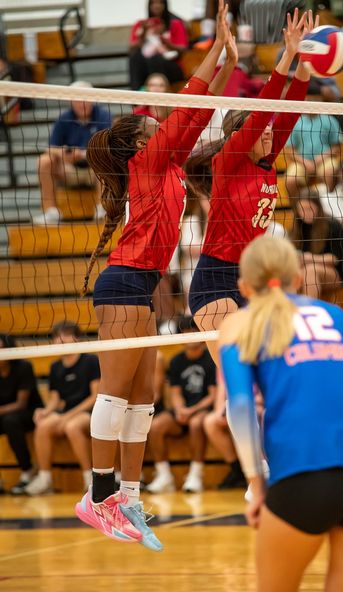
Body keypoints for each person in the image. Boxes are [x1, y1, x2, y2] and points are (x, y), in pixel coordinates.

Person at [74, 2, 238, 550]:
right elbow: (189, 105)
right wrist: (216, 50)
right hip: (123, 284)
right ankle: (97, 498)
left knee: (144, 401)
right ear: (141, 141)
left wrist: (226, 59)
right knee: (117, 395)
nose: (160, 120)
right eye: (153, 121)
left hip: (142, 288)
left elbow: (194, 116)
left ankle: (130, 497)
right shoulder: (147, 163)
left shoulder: (165, 166)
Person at [219, 235, 343, 592]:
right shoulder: (337, 316)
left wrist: (257, 484)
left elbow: (241, 406)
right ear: (299, 279)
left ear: (243, 286)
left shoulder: (239, 324)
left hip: (303, 476)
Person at [188, 9, 313, 363]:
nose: (270, 132)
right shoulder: (227, 164)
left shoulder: (267, 162)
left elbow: (289, 109)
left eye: (271, 131)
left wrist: (306, 57)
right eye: (263, 131)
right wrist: (286, 56)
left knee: (268, 369)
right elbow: (263, 113)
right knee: (238, 371)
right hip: (214, 280)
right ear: (246, 137)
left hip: (250, 276)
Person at [24, 322, 100, 495]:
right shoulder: (55, 366)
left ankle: (90, 479)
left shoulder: (90, 360)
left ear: (77, 338)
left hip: (90, 411)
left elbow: (94, 396)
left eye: (66, 335)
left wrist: (68, 416)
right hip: (67, 412)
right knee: (43, 425)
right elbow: (55, 400)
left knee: (71, 426)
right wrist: (45, 411)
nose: (61, 339)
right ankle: (45, 479)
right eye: (57, 336)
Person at [147, 317, 216, 494]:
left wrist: (191, 411)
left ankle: (195, 475)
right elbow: (175, 392)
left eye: (193, 330)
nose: (189, 335)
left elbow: (212, 396)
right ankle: (164, 476)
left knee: (195, 423)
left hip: (203, 408)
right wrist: (179, 409)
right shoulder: (177, 360)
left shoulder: (210, 357)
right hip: (183, 409)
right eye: (185, 331)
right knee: (156, 426)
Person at [33, 81, 112, 225]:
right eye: (77, 99)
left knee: (106, 157)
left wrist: (82, 154)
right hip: (69, 170)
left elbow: (107, 145)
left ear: (93, 99)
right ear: (71, 101)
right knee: (44, 161)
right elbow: (50, 148)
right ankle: (51, 212)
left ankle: (103, 208)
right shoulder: (64, 118)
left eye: (86, 99)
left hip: (95, 171)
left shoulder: (103, 116)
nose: (82, 103)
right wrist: (62, 153)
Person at [290, 187, 343, 300]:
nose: (305, 213)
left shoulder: (332, 225)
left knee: (310, 271)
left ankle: (311, 313)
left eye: (309, 209)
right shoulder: (298, 227)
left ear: (318, 207)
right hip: (306, 271)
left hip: (337, 273)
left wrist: (310, 258)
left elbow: (336, 259)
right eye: (302, 209)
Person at [284, 78, 343, 198]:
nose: (312, 101)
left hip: (324, 160)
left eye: (316, 98)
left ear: (321, 99)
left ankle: (330, 210)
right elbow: (290, 150)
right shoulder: (296, 121)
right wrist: (305, 162)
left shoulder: (329, 120)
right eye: (309, 98)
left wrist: (320, 158)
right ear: (304, 99)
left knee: (331, 172)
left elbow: (336, 147)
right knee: (290, 180)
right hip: (301, 162)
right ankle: (298, 213)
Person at [0, 334, 42, 495]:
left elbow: (21, 404)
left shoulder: (23, 367)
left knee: (10, 421)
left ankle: (27, 471)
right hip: (5, 416)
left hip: (29, 414)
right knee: (7, 420)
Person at [129, 0, 188, 90]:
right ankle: (136, 96)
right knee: (135, 58)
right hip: (146, 65)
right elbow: (132, 48)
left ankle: (158, 94)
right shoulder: (141, 24)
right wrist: (144, 32)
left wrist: (164, 41)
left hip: (171, 65)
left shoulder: (176, 24)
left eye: (160, 2)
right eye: (153, 3)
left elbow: (183, 49)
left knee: (155, 59)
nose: (157, 6)